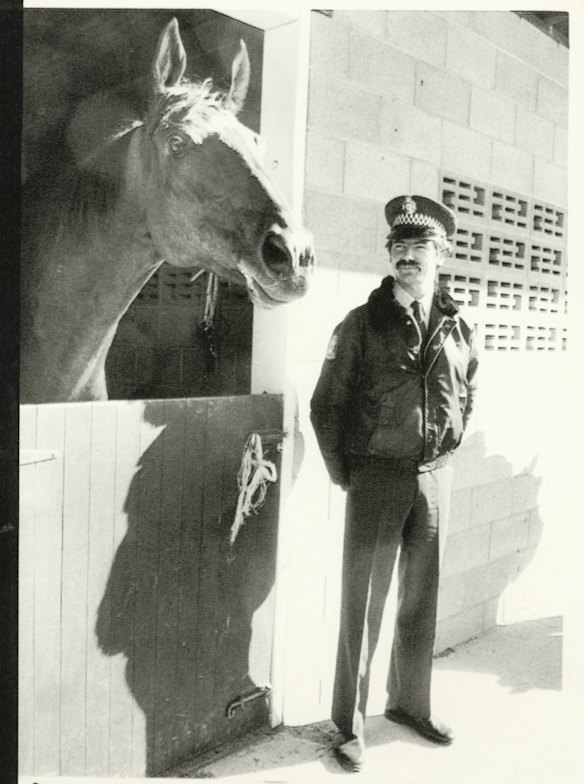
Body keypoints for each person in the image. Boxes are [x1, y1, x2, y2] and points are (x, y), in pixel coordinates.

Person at [310, 194, 479, 773]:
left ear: (443, 254)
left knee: (420, 601)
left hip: (433, 479)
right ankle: (348, 726)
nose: (408, 258)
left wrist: (442, 450)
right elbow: (325, 407)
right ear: (389, 256)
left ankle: (410, 706)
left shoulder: (458, 325)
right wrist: (350, 475)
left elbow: (467, 393)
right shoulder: (361, 323)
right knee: (364, 605)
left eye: (420, 248)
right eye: (398, 248)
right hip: (376, 478)